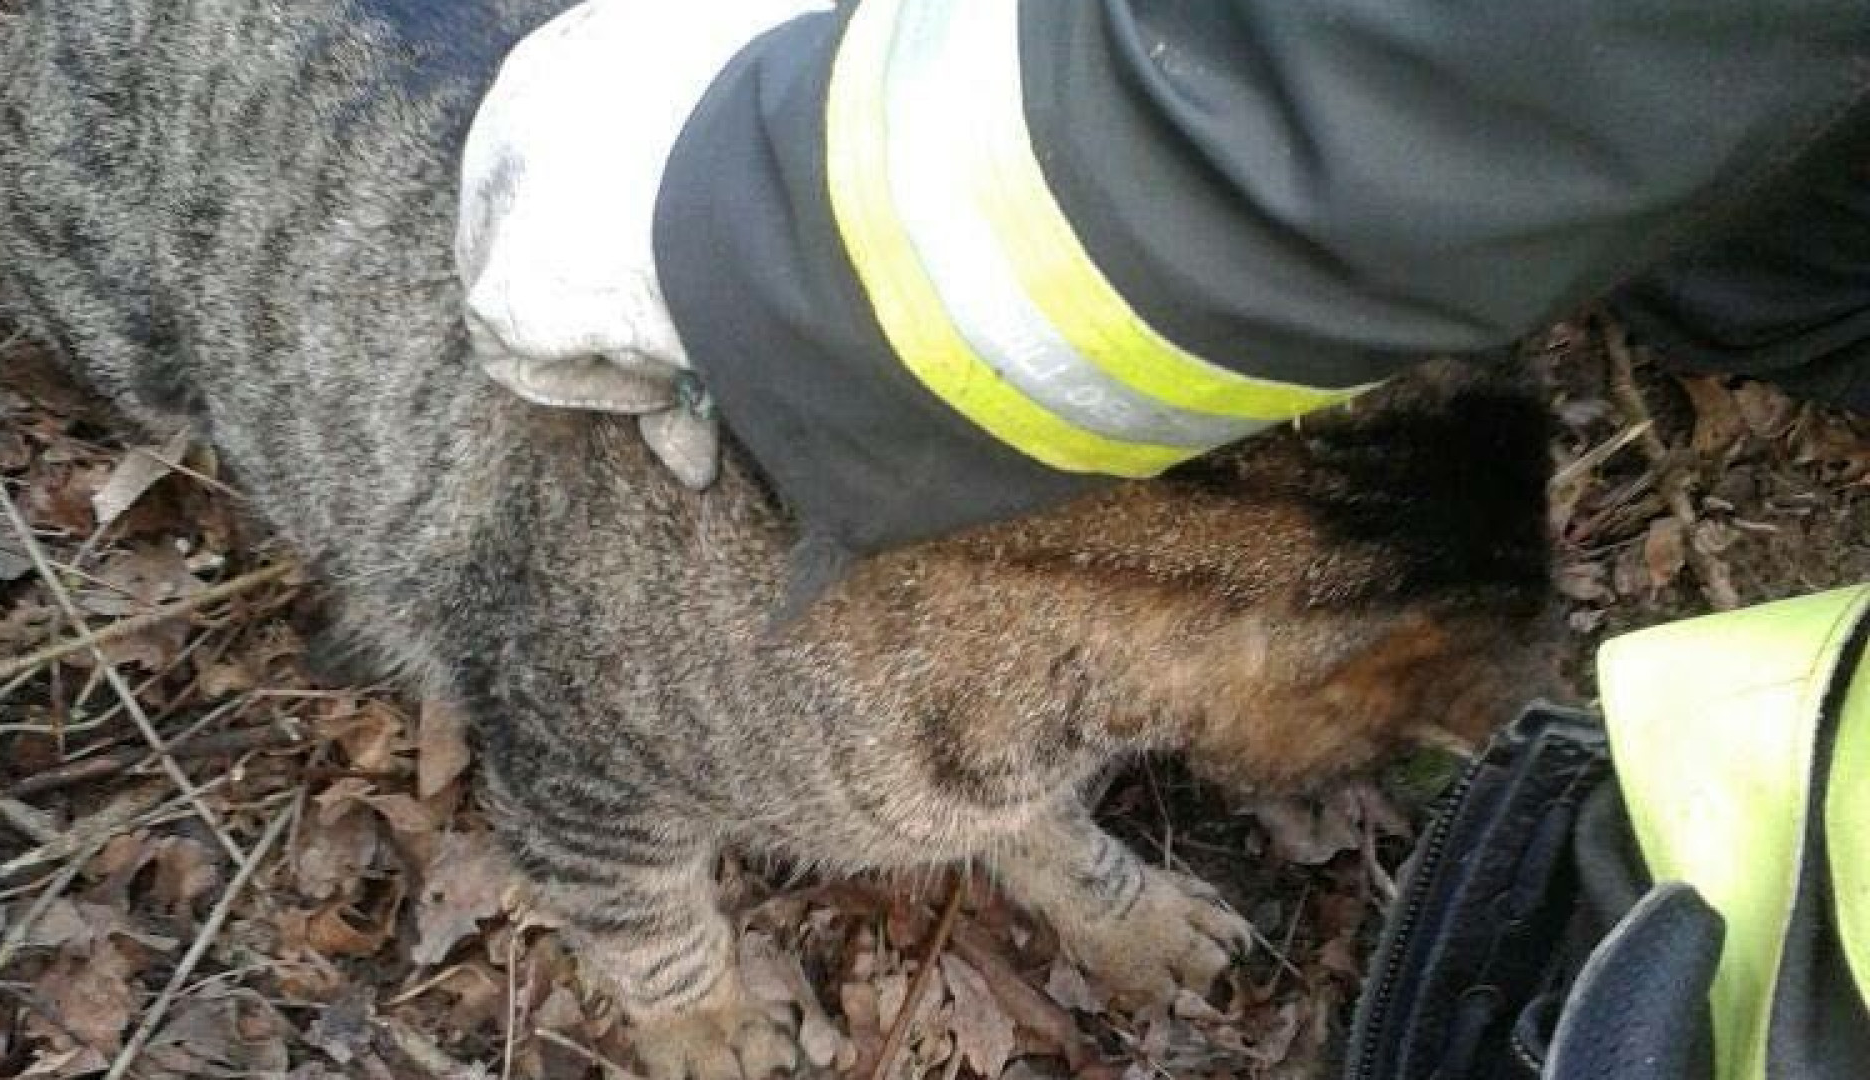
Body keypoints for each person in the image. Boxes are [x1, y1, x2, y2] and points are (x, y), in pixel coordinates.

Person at [454, 4, 1870, 1077]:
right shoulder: (780, 685)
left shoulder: (1036, 653)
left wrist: (1092, 885)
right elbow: (566, 780)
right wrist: (675, 983)